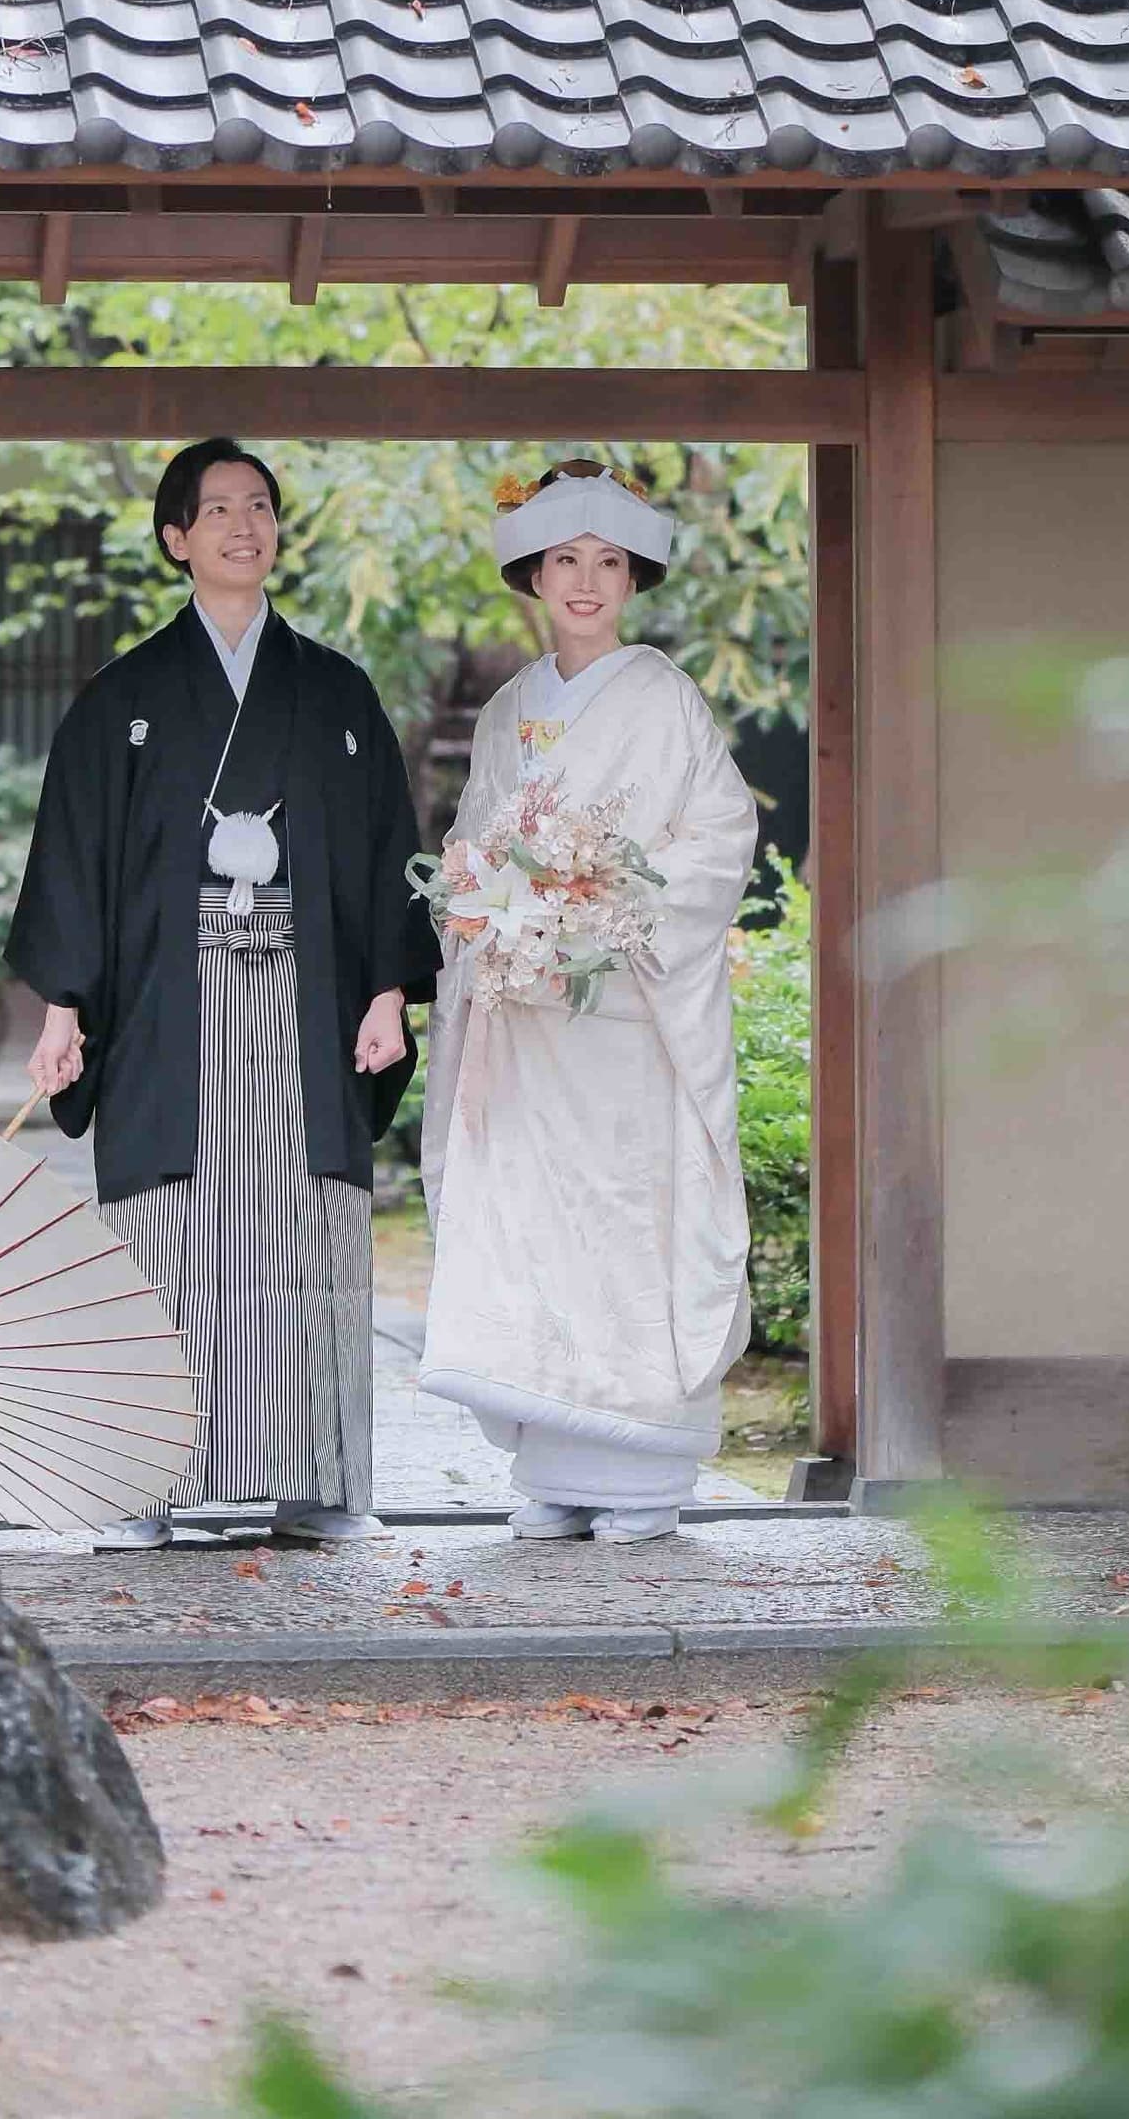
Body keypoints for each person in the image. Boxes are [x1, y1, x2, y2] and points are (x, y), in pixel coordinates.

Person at [6, 438, 434, 1546]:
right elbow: (75, 858)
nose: (243, 526)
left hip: (310, 997)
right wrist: (64, 1008)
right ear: (174, 540)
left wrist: (387, 991)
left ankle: (318, 1487)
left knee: (308, 1231)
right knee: (164, 1231)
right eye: (216, 510)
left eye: (260, 507)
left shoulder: (334, 690)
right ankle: (141, 1482)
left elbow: (391, 847)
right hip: (165, 1006)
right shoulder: (125, 697)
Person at [419, 458, 762, 1541]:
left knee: (618, 1219)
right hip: (524, 1019)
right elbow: (470, 843)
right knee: (532, 1225)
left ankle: (643, 1478)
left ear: (631, 580)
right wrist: (491, 914)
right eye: (564, 560)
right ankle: (557, 1475)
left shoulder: (660, 696)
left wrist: (604, 911)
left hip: (622, 1017)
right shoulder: (510, 707)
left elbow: (717, 842)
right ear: (532, 574)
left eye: (608, 563)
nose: (585, 582)